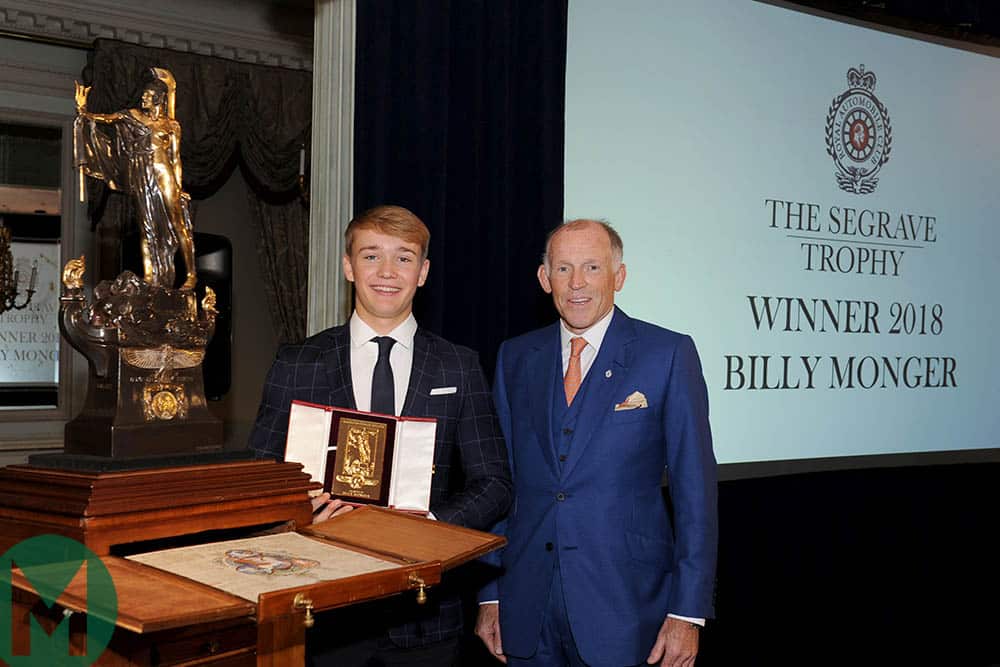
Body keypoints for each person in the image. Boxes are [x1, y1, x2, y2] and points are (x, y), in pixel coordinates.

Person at [249, 204, 513, 666]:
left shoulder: (459, 365)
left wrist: (428, 525)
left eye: (404, 258)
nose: (387, 272)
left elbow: (494, 483)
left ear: (424, 272)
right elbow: (258, 478)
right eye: (371, 256)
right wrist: (298, 512)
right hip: (321, 610)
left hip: (426, 616)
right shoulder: (297, 362)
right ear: (349, 266)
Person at [476, 219, 717, 667]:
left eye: (592, 267)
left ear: (618, 277)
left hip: (627, 606)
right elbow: (498, 483)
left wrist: (688, 610)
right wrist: (489, 596)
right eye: (564, 269)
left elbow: (695, 492)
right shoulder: (515, 357)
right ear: (545, 279)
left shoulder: (667, 353)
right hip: (526, 607)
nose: (577, 283)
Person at [74, 68, 197, 290]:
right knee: (147, 227)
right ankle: (150, 276)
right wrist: (84, 111)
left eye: (148, 95)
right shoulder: (132, 116)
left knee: (178, 224)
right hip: (142, 175)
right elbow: (106, 119)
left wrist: (178, 187)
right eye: (144, 94)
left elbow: (176, 159)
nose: (143, 97)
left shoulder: (171, 126)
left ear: (158, 98)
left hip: (164, 174)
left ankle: (190, 274)